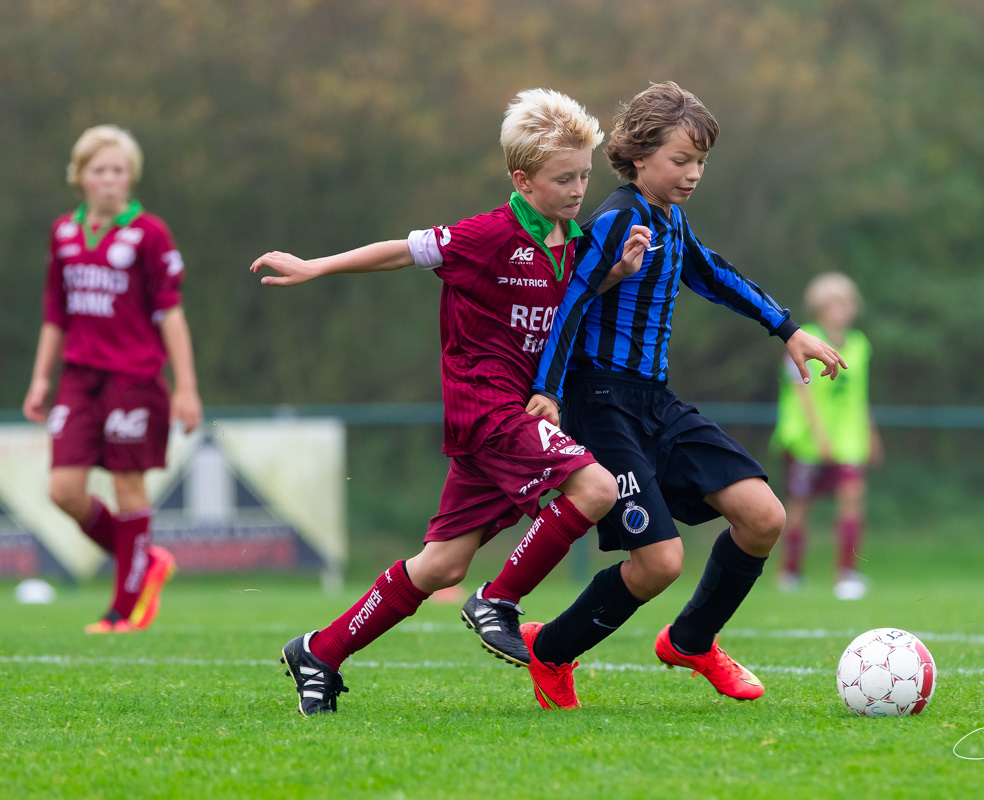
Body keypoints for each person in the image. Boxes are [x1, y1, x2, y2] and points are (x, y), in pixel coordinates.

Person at [253, 89, 651, 715]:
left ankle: (320, 652)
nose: (579, 189)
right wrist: (315, 267)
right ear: (522, 179)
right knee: (594, 489)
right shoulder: (485, 235)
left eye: (583, 175)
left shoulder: (574, 242)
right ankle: (499, 601)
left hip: (510, 416)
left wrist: (615, 277)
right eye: (563, 178)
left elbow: (568, 302)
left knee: (439, 565)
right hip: (487, 409)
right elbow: (400, 252)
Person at [511, 82, 846, 709]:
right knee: (659, 562)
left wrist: (790, 329)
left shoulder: (671, 219)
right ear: (639, 157)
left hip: (653, 402)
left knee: (764, 517)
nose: (693, 174)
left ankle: (691, 641)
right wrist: (548, 392)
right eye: (680, 160)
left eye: (701, 163)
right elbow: (573, 301)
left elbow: (712, 274)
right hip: (601, 402)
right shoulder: (615, 218)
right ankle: (551, 653)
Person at [22, 125, 201, 634]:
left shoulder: (150, 233)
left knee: (129, 488)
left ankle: (123, 610)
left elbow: (171, 313)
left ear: (131, 177)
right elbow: (56, 312)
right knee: (64, 490)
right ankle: (148, 560)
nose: (109, 180)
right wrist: (40, 379)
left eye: (118, 170)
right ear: (81, 177)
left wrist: (186, 386)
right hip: (79, 377)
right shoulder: (63, 232)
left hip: (134, 377)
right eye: (99, 170)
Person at [770, 272, 883, 600]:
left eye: (847, 302)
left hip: (849, 440)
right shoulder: (803, 339)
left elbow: (859, 396)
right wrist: (820, 437)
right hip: (807, 440)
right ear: (819, 307)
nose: (843, 309)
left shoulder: (861, 344)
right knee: (800, 505)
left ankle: (846, 573)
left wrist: (871, 434)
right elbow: (801, 392)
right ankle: (790, 572)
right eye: (835, 303)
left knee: (852, 499)